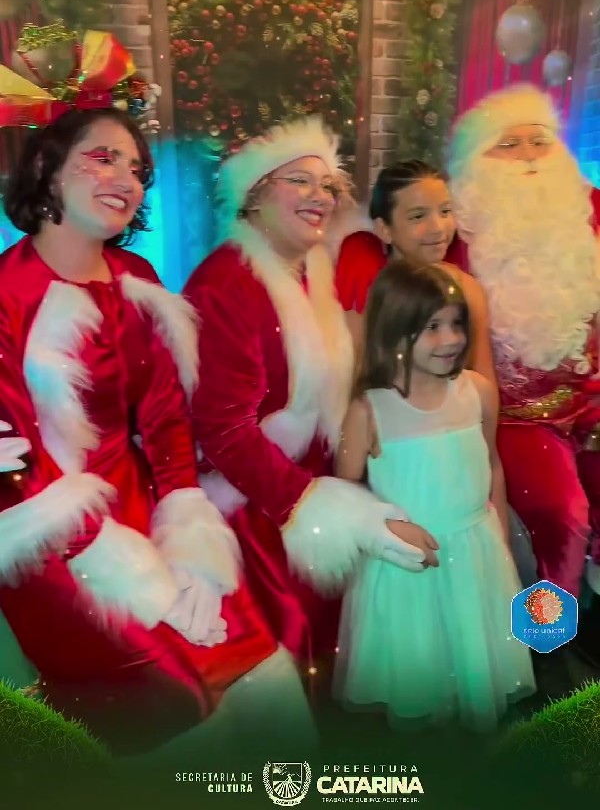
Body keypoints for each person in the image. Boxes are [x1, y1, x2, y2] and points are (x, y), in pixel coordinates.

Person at [0, 107, 313, 756]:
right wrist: (134, 577)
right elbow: (13, 465)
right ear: (47, 168)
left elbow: (167, 419)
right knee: (177, 693)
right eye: (103, 157)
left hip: (144, 506)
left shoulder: (138, 281)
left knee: (256, 661)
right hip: (45, 536)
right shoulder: (8, 293)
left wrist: (189, 531)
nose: (127, 179)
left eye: (137, 169)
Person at [183, 118, 433, 679]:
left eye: (327, 186)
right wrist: (319, 503)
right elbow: (224, 433)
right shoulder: (225, 283)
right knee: (291, 644)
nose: (320, 196)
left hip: (315, 483)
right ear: (254, 197)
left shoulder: (314, 271)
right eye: (300, 180)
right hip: (256, 506)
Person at [333, 260, 535, 731]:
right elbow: (345, 494)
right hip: (409, 570)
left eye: (456, 324)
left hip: (476, 557)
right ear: (394, 330)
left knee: (476, 671)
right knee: (422, 688)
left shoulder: (478, 392)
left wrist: (499, 538)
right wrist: (385, 526)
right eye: (431, 327)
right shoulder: (369, 411)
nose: (451, 339)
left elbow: (492, 462)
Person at [447, 83, 600, 657]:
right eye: (509, 144)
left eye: (540, 141)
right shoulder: (457, 234)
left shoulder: (588, 213)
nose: (530, 155)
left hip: (591, 403)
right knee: (563, 512)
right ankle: (544, 640)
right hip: (515, 417)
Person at [334, 160, 495, 382]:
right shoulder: (365, 288)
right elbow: (351, 377)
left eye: (445, 211)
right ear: (384, 229)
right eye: (418, 216)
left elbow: (483, 379)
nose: (438, 228)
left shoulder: (467, 289)